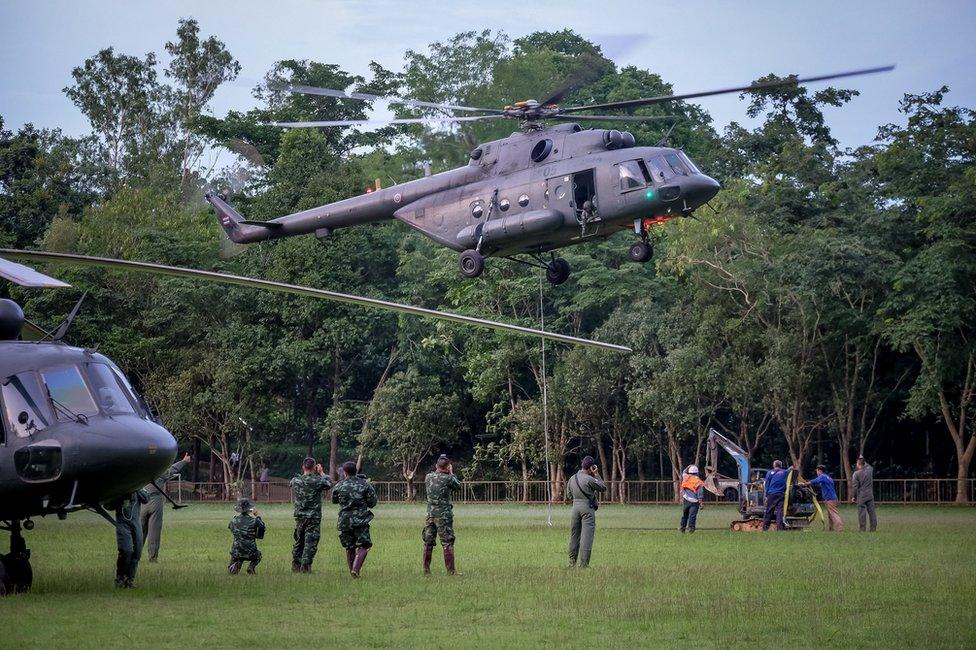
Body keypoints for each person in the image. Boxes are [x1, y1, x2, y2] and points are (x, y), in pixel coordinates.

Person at [141, 451, 191, 562]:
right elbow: (173, 470)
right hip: (156, 502)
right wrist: (184, 461)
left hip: (141, 501)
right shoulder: (159, 472)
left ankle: (135, 556)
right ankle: (153, 558)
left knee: (139, 531)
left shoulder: (140, 471)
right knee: (154, 532)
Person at [331, 461, 378, 578]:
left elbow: (334, 500)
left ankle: (352, 570)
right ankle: (355, 570)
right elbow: (373, 502)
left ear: (345, 472)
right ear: (356, 471)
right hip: (360, 520)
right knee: (364, 545)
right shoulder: (365, 485)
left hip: (344, 520)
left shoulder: (339, 485)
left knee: (349, 546)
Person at [289, 457, 333, 573]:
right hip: (313, 517)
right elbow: (329, 483)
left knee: (299, 540)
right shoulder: (317, 481)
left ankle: (296, 565)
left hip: (299, 516)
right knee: (311, 542)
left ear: (303, 467)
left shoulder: (295, 480)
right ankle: (306, 566)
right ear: (314, 468)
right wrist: (321, 472)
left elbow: (292, 483)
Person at [422, 454, 462, 576]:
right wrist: (451, 473)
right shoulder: (448, 478)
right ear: (448, 467)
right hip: (443, 515)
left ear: (436, 466)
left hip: (430, 515)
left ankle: (426, 570)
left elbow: (435, 476)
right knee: (447, 542)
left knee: (428, 542)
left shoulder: (428, 477)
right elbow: (458, 486)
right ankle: (451, 571)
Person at [566, 455, 606, 568]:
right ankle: (583, 564)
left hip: (575, 508)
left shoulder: (572, 478)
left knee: (574, 535)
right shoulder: (589, 479)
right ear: (591, 467)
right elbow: (603, 487)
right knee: (586, 536)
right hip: (587, 508)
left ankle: (571, 562)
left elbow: (569, 495)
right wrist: (596, 474)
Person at [111, 488, 149, 588]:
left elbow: (146, 498)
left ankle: (129, 580)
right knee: (126, 551)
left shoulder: (139, 488)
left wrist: (136, 488)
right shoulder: (119, 488)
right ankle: (120, 578)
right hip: (122, 523)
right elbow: (108, 505)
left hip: (136, 524)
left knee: (137, 552)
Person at [228, 497, 265, 575]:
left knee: (236, 558)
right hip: (250, 551)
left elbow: (231, 529)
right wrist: (257, 515)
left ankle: (234, 566)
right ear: (249, 509)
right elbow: (262, 527)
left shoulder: (234, 520)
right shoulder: (254, 521)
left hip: (237, 551)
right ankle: (251, 567)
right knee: (258, 555)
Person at [802, 465, 844, 531]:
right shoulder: (828, 477)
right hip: (833, 498)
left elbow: (814, 481)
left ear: (819, 471)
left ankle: (840, 528)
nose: (816, 472)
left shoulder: (822, 476)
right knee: (830, 515)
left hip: (830, 499)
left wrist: (805, 484)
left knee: (834, 514)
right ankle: (831, 529)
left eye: (817, 471)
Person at [761, 460, 789, 531]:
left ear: (774, 465)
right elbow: (791, 470)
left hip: (771, 494)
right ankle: (780, 528)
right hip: (781, 494)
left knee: (769, 510)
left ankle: (765, 527)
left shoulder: (769, 473)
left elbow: (767, 484)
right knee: (780, 511)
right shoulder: (785, 472)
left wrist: (766, 495)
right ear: (781, 466)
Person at [852, 456, 877, 532]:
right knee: (872, 512)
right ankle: (873, 528)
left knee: (862, 513)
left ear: (858, 464)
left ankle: (862, 529)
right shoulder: (869, 471)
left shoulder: (856, 474)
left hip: (861, 495)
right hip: (870, 494)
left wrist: (853, 496)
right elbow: (869, 465)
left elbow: (855, 487)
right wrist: (862, 458)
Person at [679, 464, 705, 533]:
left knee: (685, 515)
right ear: (697, 473)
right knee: (692, 516)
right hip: (694, 502)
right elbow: (700, 493)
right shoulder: (698, 481)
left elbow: (684, 471)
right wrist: (701, 503)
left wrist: (689, 466)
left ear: (689, 472)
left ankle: (682, 528)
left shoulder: (686, 477)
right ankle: (691, 529)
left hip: (686, 500)